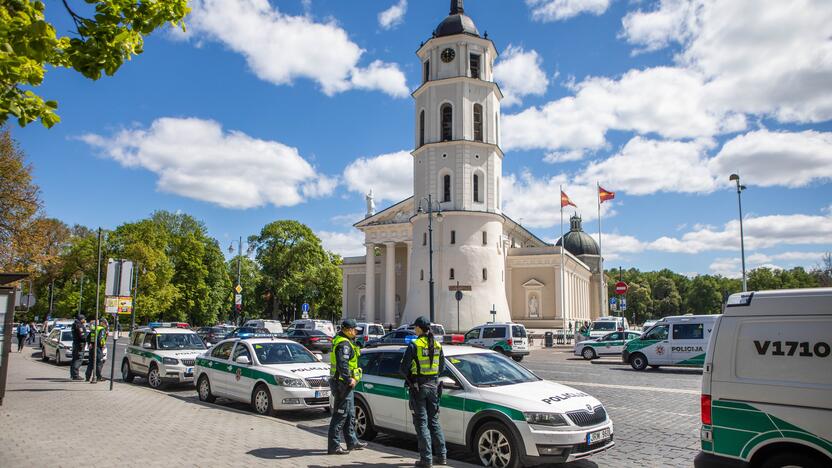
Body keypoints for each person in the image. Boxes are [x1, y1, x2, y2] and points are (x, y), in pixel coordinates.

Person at [399, 316, 447, 467]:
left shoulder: (415, 345)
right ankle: (442, 456)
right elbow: (442, 368)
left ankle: (426, 460)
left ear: (419, 328)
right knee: (434, 422)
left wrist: (412, 376)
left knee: (421, 424)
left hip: (419, 388)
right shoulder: (438, 345)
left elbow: (403, 369)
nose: (414, 329)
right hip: (434, 386)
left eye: (415, 327)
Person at [327, 318, 367, 455]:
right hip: (343, 383)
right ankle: (334, 446)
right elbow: (342, 364)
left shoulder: (345, 341)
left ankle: (352, 441)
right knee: (340, 415)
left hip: (342, 382)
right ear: (348, 330)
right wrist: (349, 379)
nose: (356, 332)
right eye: (355, 330)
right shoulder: (343, 344)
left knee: (350, 413)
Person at [85, 319, 108, 383]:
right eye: (105, 323)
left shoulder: (94, 328)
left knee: (91, 362)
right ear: (102, 323)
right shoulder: (102, 329)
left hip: (92, 347)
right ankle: (98, 377)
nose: (106, 325)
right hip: (98, 347)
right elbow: (100, 338)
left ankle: (87, 377)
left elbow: (88, 337)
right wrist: (102, 345)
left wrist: (90, 343)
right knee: (99, 362)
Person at [70, 314, 87, 381]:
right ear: (81, 319)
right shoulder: (79, 326)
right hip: (79, 344)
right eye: (84, 319)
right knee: (78, 359)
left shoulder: (74, 324)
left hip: (75, 343)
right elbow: (82, 336)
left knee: (74, 359)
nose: (85, 320)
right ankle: (75, 375)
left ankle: (73, 375)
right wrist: (87, 338)